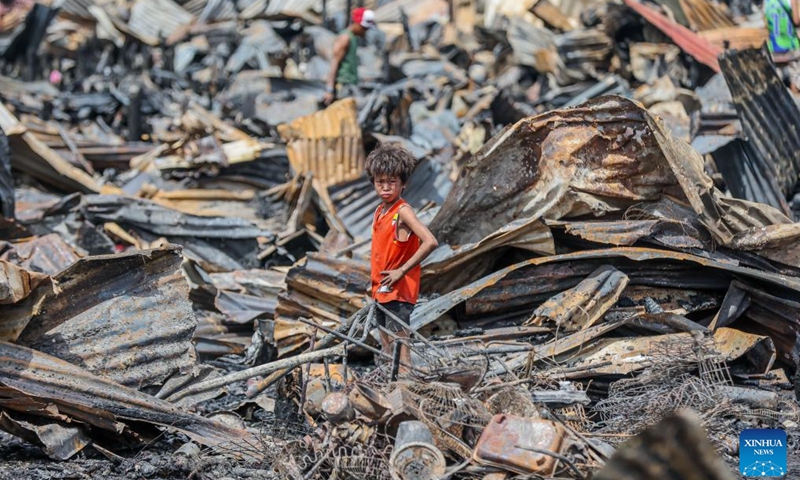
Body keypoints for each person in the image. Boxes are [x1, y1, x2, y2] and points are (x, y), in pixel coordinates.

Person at [366, 144, 438, 372]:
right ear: (374, 182)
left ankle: (407, 384)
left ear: (403, 183)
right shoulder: (380, 211)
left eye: (392, 182)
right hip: (382, 290)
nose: (385, 187)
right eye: (380, 182)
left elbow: (430, 241)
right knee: (386, 345)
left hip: (399, 290)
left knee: (400, 345)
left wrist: (402, 271)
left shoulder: (403, 211)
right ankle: (392, 386)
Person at [322, 7, 376, 105]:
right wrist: (329, 90)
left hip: (351, 85)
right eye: (364, 28)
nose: (365, 31)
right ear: (356, 23)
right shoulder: (345, 38)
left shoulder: (353, 38)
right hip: (344, 87)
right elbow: (334, 63)